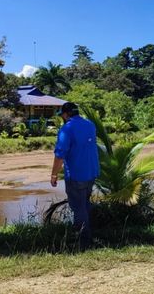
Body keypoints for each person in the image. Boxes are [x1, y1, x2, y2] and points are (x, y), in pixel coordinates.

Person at [50, 102, 100, 250]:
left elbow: (60, 154)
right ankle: (83, 233)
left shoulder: (67, 128)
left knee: (78, 207)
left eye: (63, 115)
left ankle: (84, 241)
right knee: (84, 204)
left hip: (76, 174)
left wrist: (54, 174)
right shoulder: (90, 125)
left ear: (65, 114)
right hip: (91, 172)